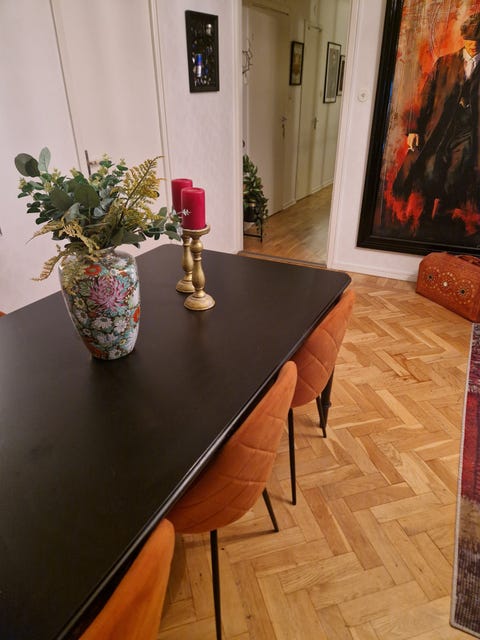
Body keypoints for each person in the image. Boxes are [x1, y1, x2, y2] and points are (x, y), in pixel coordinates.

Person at [393, 13, 480, 236]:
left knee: (456, 174)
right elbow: (425, 96)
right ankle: (423, 221)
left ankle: (443, 223)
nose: (474, 44)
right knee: (430, 171)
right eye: (470, 39)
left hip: (469, 131)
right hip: (439, 128)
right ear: (463, 37)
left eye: (478, 40)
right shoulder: (445, 62)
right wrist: (414, 129)